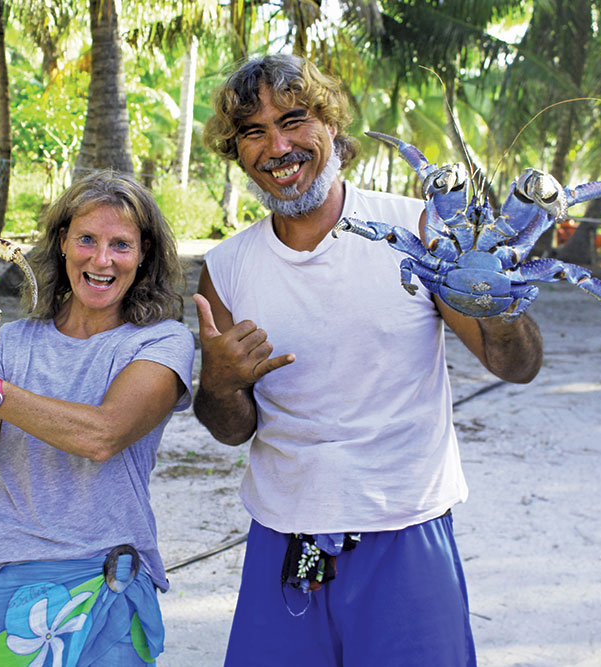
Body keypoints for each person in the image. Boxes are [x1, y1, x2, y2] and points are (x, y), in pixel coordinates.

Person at [194, 54, 544, 665]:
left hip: (407, 532)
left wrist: (497, 294)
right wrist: (220, 382)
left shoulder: (420, 228)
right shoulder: (226, 270)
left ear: (330, 125)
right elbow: (231, 429)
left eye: (294, 119)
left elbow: (514, 365)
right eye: (253, 132)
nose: (278, 145)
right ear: (237, 152)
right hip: (283, 535)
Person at [0, 170, 195, 667]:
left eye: (120, 244)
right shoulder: (14, 342)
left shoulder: (160, 343)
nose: (101, 259)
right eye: (86, 238)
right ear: (62, 242)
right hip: (10, 573)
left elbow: (101, 435)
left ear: (144, 252)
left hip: (109, 574)